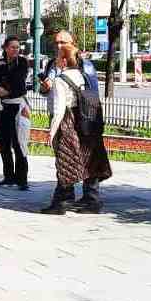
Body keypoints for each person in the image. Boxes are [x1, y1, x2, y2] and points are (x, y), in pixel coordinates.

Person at [43, 32, 112, 213]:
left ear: (72, 43)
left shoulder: (84, 64)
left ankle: (86, 198)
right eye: (56, 42)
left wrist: (88, 120)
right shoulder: (52, 64)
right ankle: (73, 197)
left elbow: (91, 93)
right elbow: (49, 92)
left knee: (84, 155)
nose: (58, 45)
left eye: (62, 42)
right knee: (71, 156)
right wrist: (45, 88)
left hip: (79, 117)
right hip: (62, 115)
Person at [0, 36, 31, 191]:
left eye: (17, 47)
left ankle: (22, 179)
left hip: (16, 105)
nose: (15, 50)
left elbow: (18, 80)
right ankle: (8, 176)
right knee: (4, 143)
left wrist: (6, 89)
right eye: (12, 47)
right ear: (5, 48)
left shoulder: (22, 62)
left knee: (19, 143)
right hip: (1, 107)